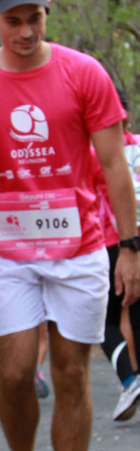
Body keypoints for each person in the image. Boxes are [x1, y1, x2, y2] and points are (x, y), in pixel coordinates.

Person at [0, 0, 140, 451]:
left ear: (48, 13)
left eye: (34, 18)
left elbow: (115, 166)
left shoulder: (83, 73)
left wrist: (131, 245)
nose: (25, 31)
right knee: (16, 372)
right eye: (13, 21)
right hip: (10, 252)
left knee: (71, 374)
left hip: (80, 246)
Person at [92, 94, 140, 421]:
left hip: (116, 242)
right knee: (134, 317)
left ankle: (130, 378)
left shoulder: (97, 153)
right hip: (126, 242)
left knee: (104, 322)